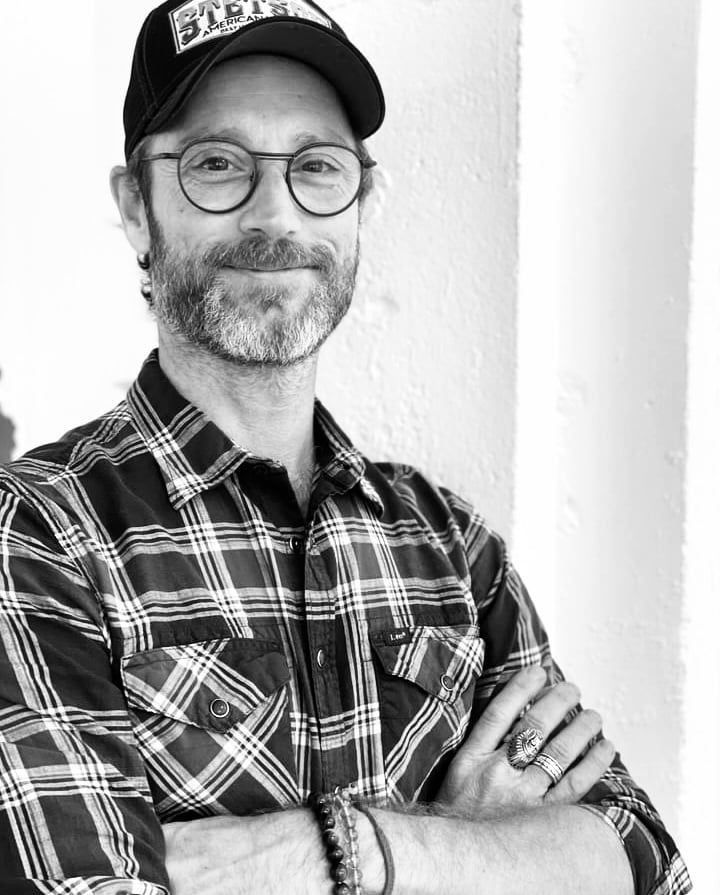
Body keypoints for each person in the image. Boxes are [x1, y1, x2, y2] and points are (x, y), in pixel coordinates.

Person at [0, 2, 691, 893]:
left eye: (317, 166)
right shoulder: (37, 532)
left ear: (360, 200)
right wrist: (484, 851)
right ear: (137, 207)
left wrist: (339, 852)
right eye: (217, 164)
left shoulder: (451, 546)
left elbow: (643, 860)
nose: (274, 214)